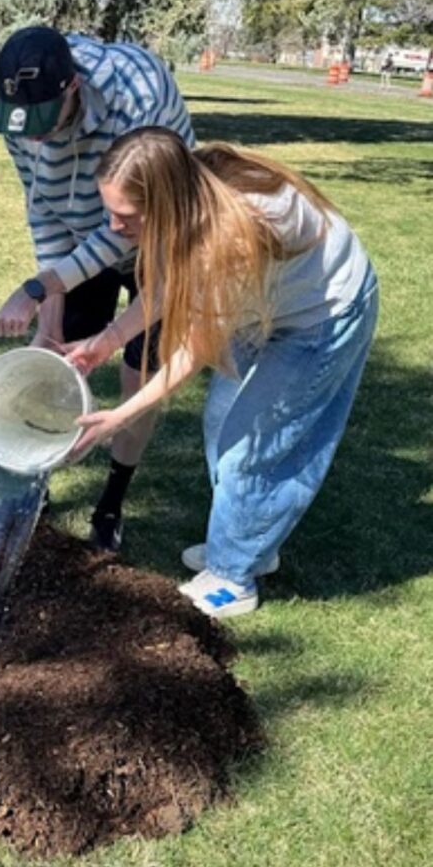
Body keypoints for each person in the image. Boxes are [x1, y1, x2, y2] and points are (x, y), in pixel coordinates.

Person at [66, 127, 378, 618]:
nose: (113, 225)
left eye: (125, 216)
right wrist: (104, 343)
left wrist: (120, 415)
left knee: (254, 445)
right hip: (267, 305)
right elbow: (167, 284)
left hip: (323, 314)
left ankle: (234, 578)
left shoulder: (232, 236)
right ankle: (250, 539)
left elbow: (194, 349)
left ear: (164, 202)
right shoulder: (191, 195)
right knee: (222, 425)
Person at [0, 26, 195, 551]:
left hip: (158, 233)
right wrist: (49, 322)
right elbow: (45, 214)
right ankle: (38, 482)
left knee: (138, 370)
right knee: (60, 359)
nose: (33, 139)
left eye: (43, 124)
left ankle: (110, 507)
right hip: (85, 240)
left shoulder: (137, 96)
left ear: (73, 87)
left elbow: (124, 230)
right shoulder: (20, 118)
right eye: (22, 127)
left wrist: (36, 289)